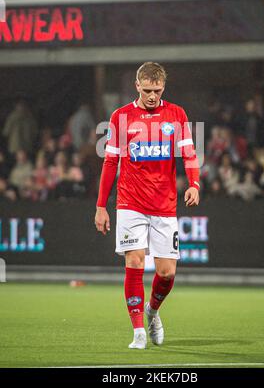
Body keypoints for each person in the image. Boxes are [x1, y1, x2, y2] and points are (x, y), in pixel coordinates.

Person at [95, 62, 200, 350]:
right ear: (137, 86)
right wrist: (101, 205)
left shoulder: (176, 114)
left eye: (158, 90)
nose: (153, 96)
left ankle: (153, 312)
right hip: (130, 202)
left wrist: (194, 183)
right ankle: (139, 330)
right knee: (135, 262)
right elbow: (110, 162)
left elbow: (189, 153)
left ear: (163, 88)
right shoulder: (121, 117)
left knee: (166, 273)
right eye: (148, 90)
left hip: (164, 204)